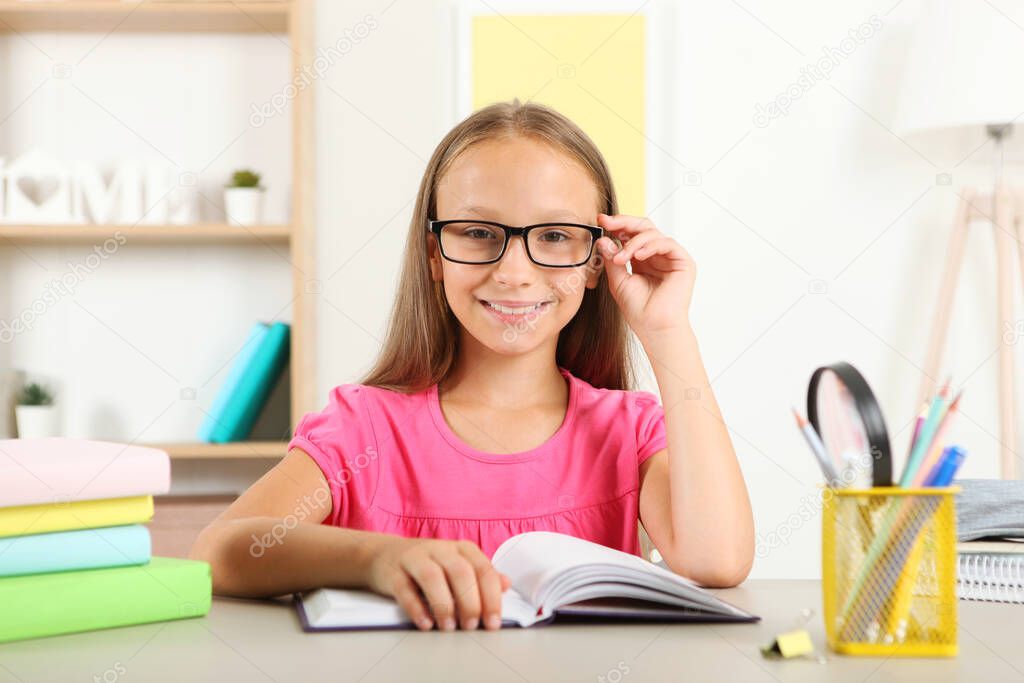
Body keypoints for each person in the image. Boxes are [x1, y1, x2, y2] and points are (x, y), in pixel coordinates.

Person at [191, 99, 753, 633]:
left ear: (593, 259)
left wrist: (667, 331)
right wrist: (378, 559)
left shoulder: (627, 433)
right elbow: (218, 552)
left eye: (555, 236)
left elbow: (717, 560)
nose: (513, 272)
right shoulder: (365, 428)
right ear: (435, 253)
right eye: (480, 233)